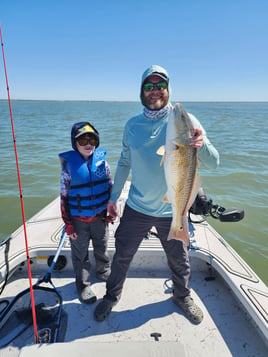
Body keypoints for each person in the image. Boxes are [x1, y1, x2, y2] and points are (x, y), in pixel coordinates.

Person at [94, 65, 220, 323]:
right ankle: (111, 296)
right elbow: (124, 162)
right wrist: (113, 197)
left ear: (168, 89)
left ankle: (182, 296)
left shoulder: (186, 120)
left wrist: (201, 143)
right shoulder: (132, 125)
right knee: (122, 256)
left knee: (180, 259)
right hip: (137, 207)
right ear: (142, 91)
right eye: (148, 86)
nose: (154, 91)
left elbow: (213, 162)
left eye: (160, 85)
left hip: (171, 209)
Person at [59, 122, 112, 303]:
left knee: (102, 247)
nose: (88, 143)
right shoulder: (68, 168)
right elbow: (64, 197)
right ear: (75, 144)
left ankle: (103, 271)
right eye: (82, 140)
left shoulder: (102, 163)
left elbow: (110, 187)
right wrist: (68, 224)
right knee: (80, 254)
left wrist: (111, 210)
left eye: (92, 139)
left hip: (100, 218)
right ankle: (83, 284)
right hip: (78, 221)